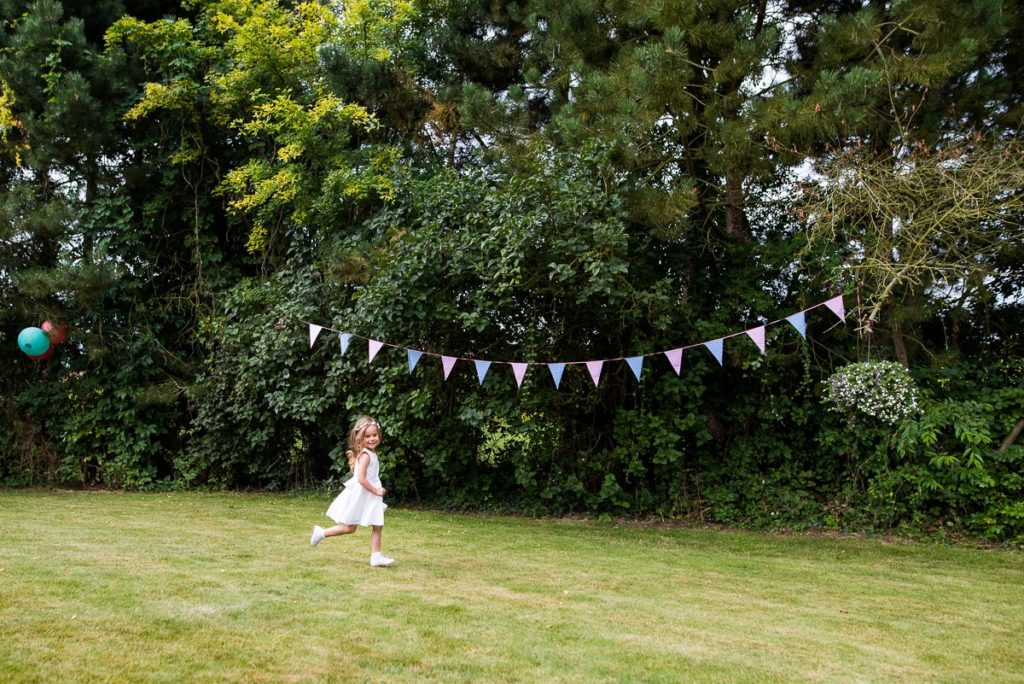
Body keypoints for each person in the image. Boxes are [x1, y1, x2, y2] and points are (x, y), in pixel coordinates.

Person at [310, 415, 395, 567]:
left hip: (368, 494)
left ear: (379, 435)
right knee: (350, 528)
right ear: (360, 438)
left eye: (374, 435)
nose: (372, 439)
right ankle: (321, 533)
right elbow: (361, 479)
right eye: (367, 436)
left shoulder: (370, 453)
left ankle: (376, 556)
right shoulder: (366, 456)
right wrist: (375, 490)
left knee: (377, 524)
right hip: (364, 494)